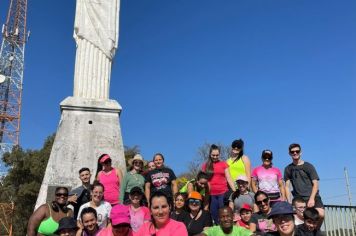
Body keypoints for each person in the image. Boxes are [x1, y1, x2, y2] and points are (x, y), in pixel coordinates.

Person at [284, 143, 325, 227]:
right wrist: (288, 201)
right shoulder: (288, 168)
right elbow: (287, 187)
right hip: (299, 199)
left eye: (297, 151)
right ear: (289, 153)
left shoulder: (308, 166)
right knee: (296, 219)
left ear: (301, 152)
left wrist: (312, 199)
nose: (295, 153)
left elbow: (315, 184)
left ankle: (316, 231)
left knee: (321, 214)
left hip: (313, 197)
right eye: (292, 152)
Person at [202, 144, 236, 224]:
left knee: (224, 214)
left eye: (217, 155)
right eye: (213, 155)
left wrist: (235, 191)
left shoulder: (224, 164)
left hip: (223, 193)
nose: (215, 157)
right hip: (211, 194)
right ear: (210, 154)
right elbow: (203, 180)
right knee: (214, 214)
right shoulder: (205, 166)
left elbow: (229, 178)